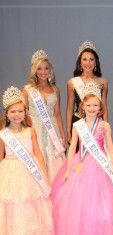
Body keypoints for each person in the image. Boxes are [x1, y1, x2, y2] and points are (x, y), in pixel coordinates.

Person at [51, 82, 113, 235]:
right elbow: (72, 147)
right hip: (81, 163)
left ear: (100, 108)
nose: (92, 108)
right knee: (78, 201)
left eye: (95, 105)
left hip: (101, 164)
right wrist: (67, 170)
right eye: (89, 105)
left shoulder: (105, 125)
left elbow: (110, 147)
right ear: (83, 106)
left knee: (101, 200)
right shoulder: (78, 125)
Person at [0, 86, 54, 235]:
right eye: (13, 111)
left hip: (31, 173)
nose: (16, 115)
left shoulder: (31, 131)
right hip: (10, 173)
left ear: (25, 112)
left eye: (20, 111)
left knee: (33, 203)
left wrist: (44, 175)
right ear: (6, 113)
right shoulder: (3, 134)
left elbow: (38, 153)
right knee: (13, 203)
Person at [22, 49, 65, 183]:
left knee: (54, 159)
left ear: (50, 70)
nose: (43, 72)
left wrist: (62, 135)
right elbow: (23, 114)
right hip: (35, 127)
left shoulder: (56, 90)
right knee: (37, 156)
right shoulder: (27, 90)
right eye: (39, 69)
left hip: (52, 128)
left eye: (46, 68)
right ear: (34, 71)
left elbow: (57, 114)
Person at [66, 40, 108, 145]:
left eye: (91, 60)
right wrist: (68, 130)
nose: (88, 63)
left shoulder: (103, 82)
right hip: (78, 122)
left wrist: (106, 128)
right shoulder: (72, 82)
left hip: (96, 123)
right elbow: (69, 108)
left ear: (96, 62)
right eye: (84, 59)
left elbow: (104, 107)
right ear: (80, 62)